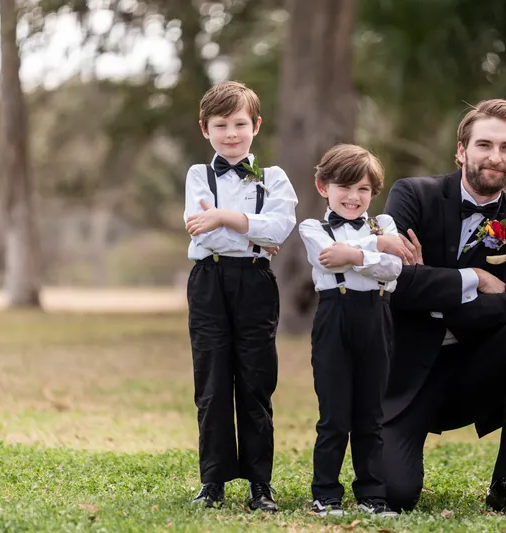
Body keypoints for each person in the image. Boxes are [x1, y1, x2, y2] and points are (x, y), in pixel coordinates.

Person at [379, 99, 506, 515]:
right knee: (394, 495)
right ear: (461, 150)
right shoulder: (412, 194)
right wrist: (474, 280)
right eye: (484, 145)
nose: (494, 157)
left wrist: (434, 290)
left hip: (472, 371)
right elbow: (396, 282)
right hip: (405, 375)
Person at [183, 81, 298, 512]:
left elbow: (280, 227)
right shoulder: (199, 174)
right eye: (220, 125)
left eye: (239, 124)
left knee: (255, 381)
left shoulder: (274, 178)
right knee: (212, 381)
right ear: (205, 129)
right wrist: (251, 225)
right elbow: (196, 224)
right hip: (209, 281)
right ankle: (212, 481)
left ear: (256, 126)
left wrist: (224, 218)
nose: (230, 133)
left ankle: (259, 484)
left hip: (254, 281)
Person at [299, 144, 401, 517]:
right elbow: (326, 256)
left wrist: (356, 254)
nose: (353, 197)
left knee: (370, 413)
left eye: (363, 189)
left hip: (377, 316)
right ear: (322, 186)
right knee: (334, 414)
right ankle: (325, 494)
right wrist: (374, 249)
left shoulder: (385, 224)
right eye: (344, 186)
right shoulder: (312, 227)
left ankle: (372, 493)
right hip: (334, 316)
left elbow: (393, 268)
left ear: (374, 192)